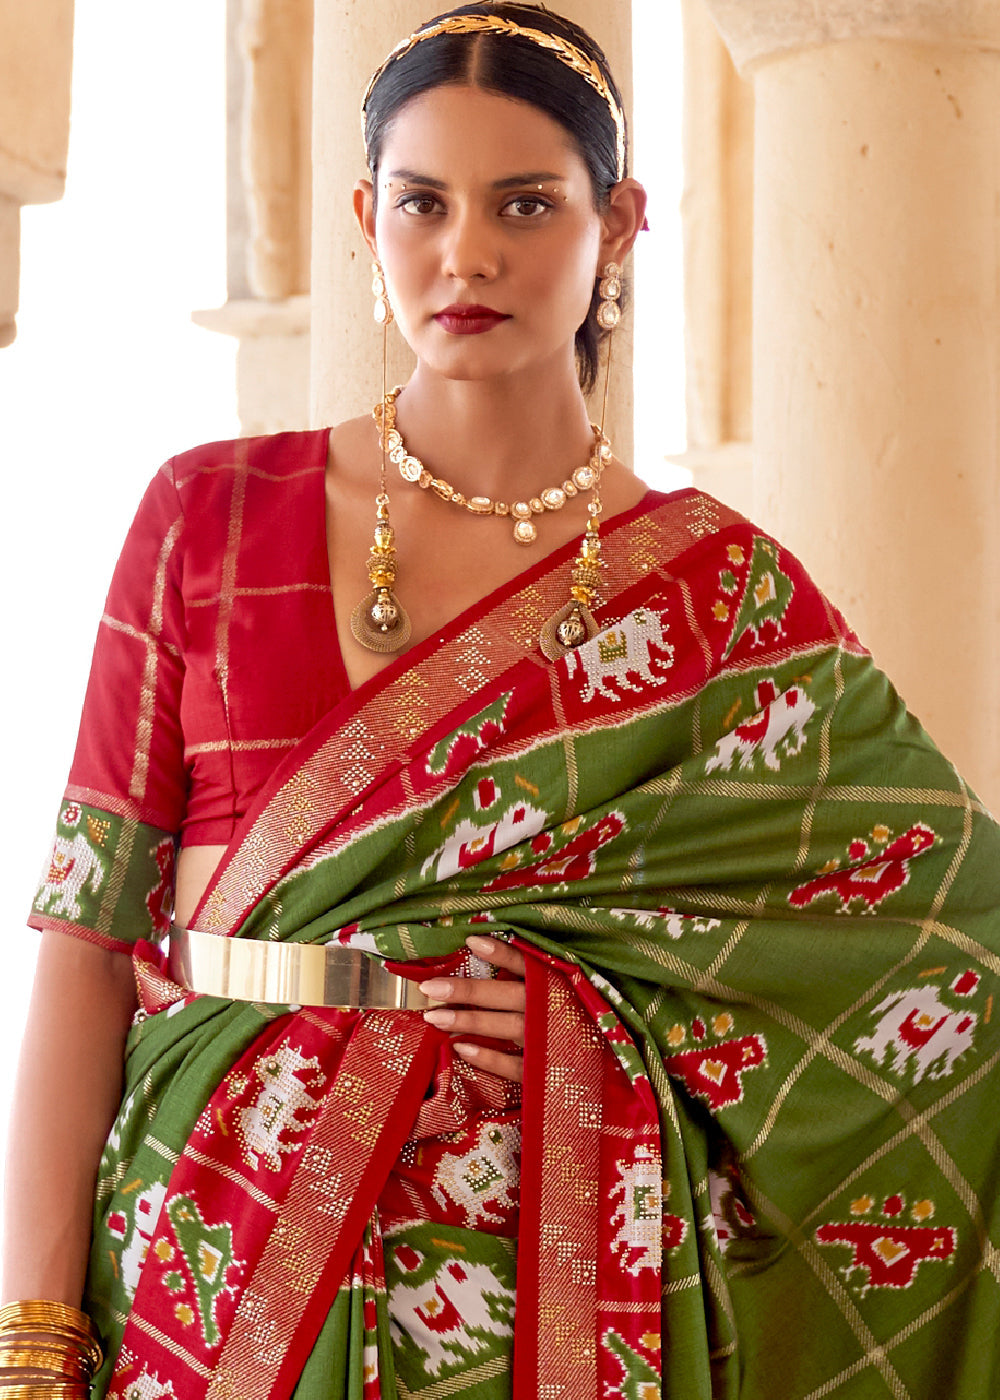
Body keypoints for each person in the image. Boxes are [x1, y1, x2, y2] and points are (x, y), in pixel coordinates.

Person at [3, 3, 999, 1397]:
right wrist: (34, 1339)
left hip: (535, 1281)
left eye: (526, 203)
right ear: (365, 217)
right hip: (205, 1252)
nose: (467, 252)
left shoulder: (718, 597)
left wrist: (610, 1029)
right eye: (424, 203)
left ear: (622, 221)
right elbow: (86, 940)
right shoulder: (205, 519)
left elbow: (936, 958)